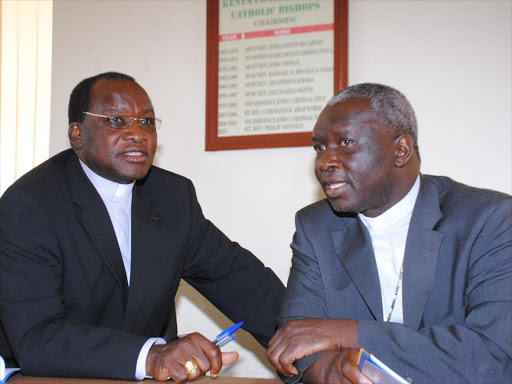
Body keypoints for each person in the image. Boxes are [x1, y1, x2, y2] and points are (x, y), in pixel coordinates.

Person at [0, 72, 285, 383]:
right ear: (77, 134)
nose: (137, 133)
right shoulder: (30, 204)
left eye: (146, 122)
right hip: (46, 375)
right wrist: (150, 356)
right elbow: (37, 337)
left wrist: (304, 344)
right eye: (117, 121)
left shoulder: (173, 197)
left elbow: (241, 282)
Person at [266, 83, 512, 384]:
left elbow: (492, 355)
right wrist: (333, 370)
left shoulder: (491, 219)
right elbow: (296, 339)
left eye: (345, 142)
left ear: (401, 150)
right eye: (320, 147)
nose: (324, 162)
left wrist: (349, 333)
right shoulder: (315, 226)